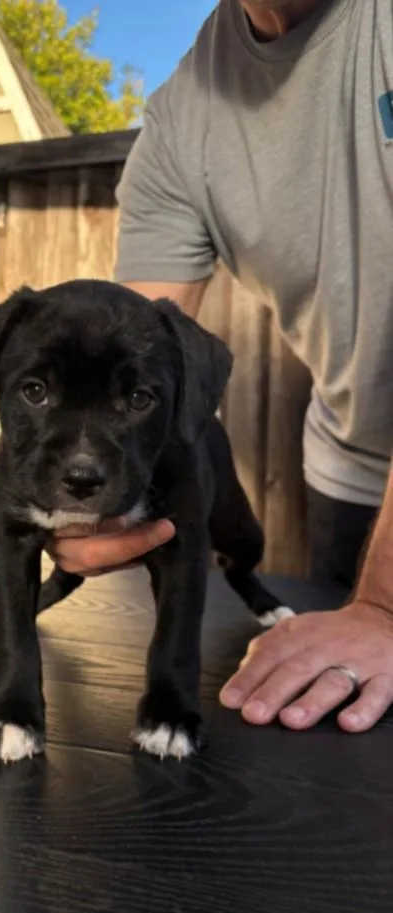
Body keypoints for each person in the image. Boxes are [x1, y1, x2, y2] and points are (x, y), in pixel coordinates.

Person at [48, 0, 393, 734]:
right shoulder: (181, 124)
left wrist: (385, 605)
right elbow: (133, 361)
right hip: (354, 476)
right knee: (344, 772)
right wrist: (87, 487)